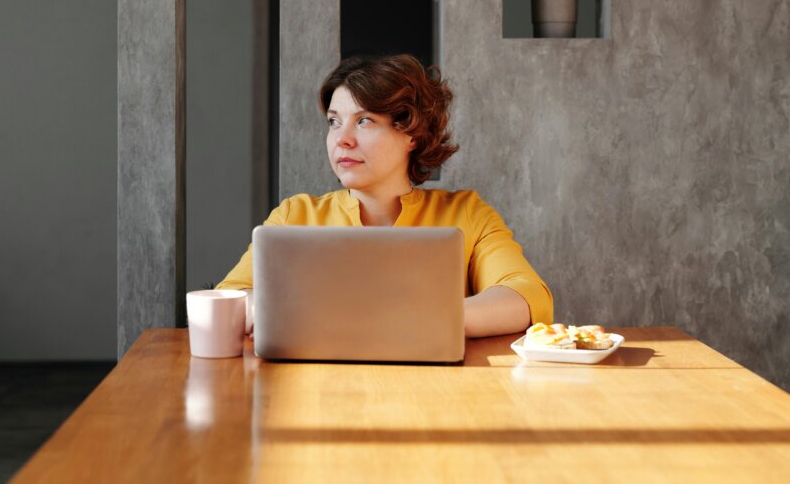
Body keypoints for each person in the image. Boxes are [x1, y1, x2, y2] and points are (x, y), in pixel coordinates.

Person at [216, 54, 553, 337]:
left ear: (412, 135)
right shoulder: (295, 216)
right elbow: (225, 300)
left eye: (364, 121)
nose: (342, 139)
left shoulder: (467, 213)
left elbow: (527, 296)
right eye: (334, 122)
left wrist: (411, 319)